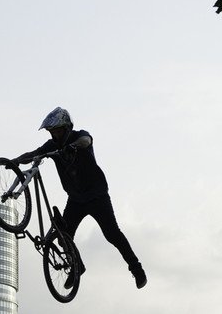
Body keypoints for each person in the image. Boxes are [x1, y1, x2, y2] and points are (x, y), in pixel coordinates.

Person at [13, 107, 147, 289]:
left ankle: (136, 268)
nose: (55, 135)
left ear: (67, 128)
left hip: (97, 195)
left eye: (58, 131)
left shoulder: (79, 136)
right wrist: (15, 161)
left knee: (112, 234)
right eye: (52, 132)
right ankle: (77, 268)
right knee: (63, 236)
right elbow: (33, 154)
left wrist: (73, 146)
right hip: (76, 199)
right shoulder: (52, 145)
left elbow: (86, 140)